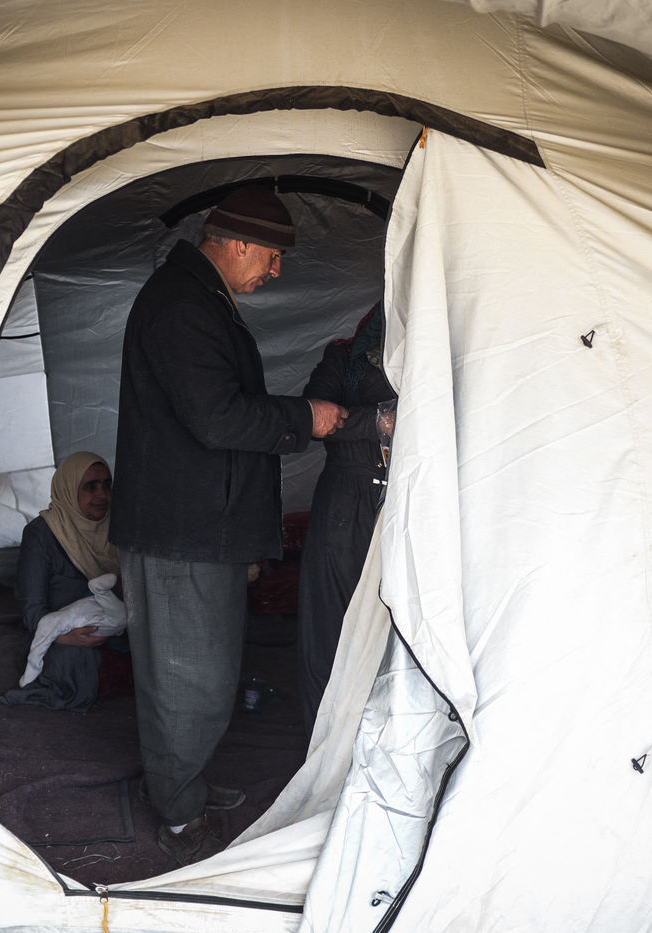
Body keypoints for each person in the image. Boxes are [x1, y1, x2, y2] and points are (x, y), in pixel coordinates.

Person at [111, 184, 348, 866]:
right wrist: (305, 418)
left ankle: (180, 781)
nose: (276, 270)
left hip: (196, 527)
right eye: (272, 256)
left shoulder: (198, 296)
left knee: (205, 676)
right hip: (180, 531)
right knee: (186, 681)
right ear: (240, 242)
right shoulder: (183, 305)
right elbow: (217, 418)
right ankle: (178, 815)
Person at [296, 303, 397, 725]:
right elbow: (313, 416)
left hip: (407, 499)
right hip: (347, 500)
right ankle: (325, 740)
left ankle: (378, 741)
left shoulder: (431, 357)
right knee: (333, 623)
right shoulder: (344, 355)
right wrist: (378, 422)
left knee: (396, 624)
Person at [0, 451, 121, 712]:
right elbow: (31, 608)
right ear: (68, 487)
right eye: (90, 486)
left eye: (107, 485)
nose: (102, 495)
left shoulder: (118, 527)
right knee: (70, 661)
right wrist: (67, 637)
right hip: (62, 637)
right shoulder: (41, 534)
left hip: (112, 627)